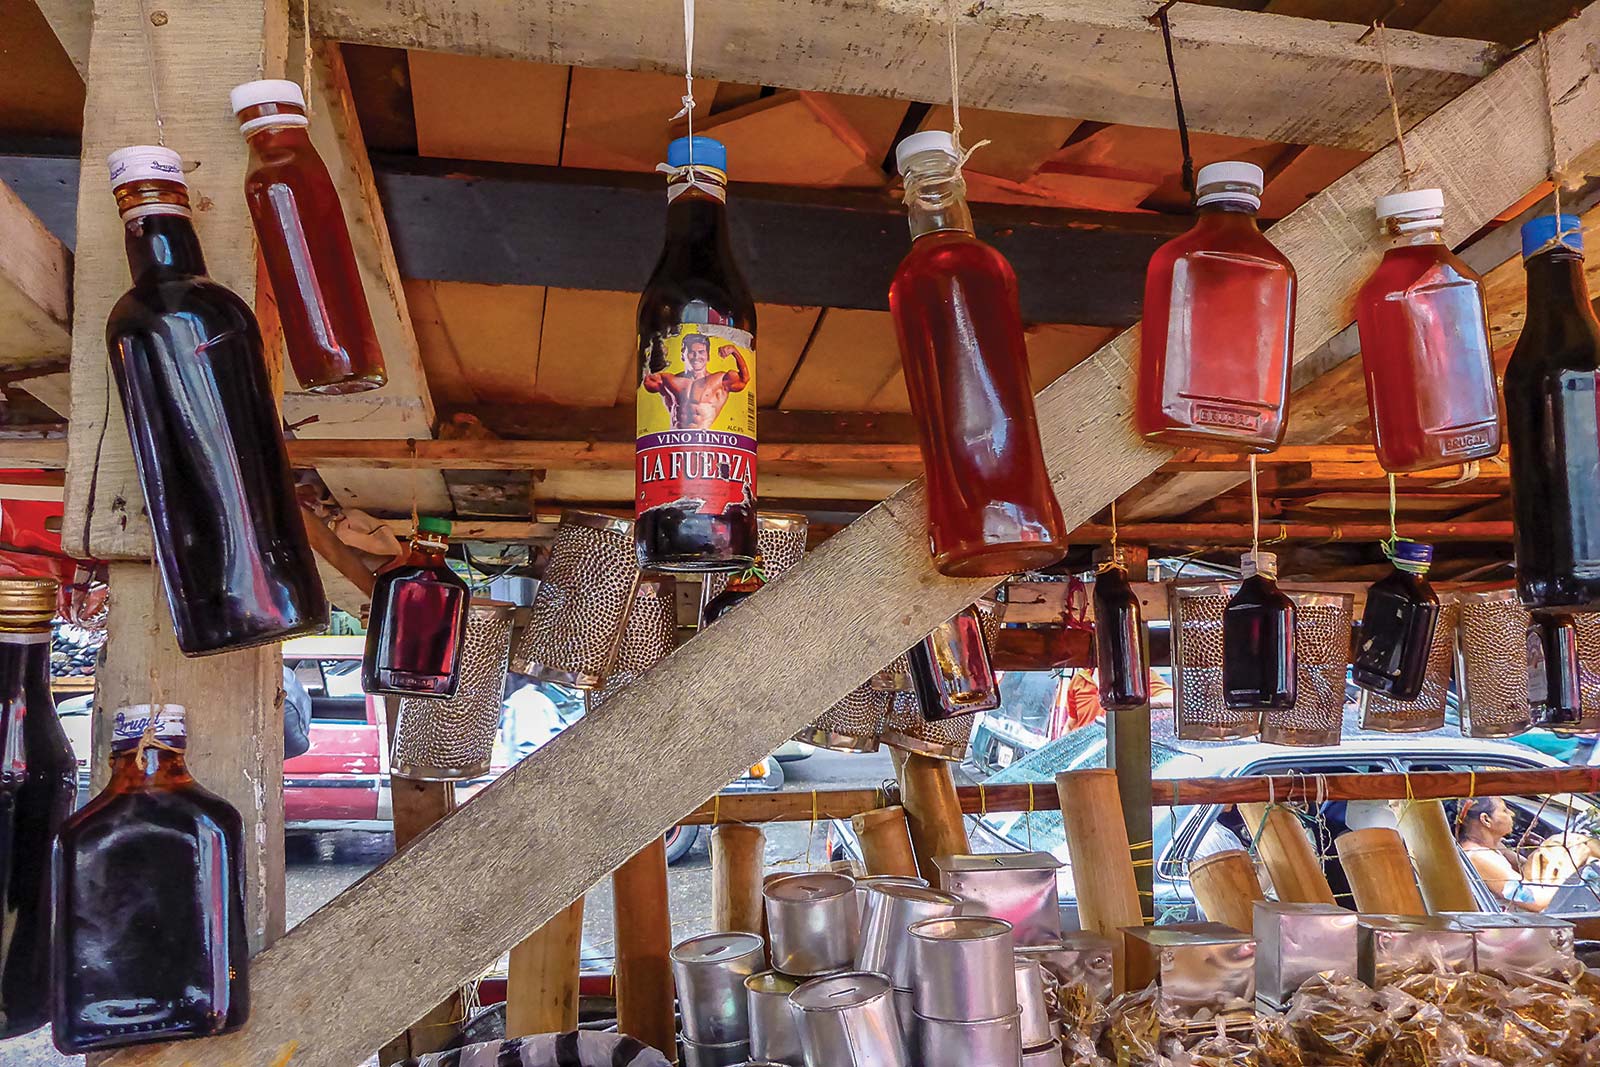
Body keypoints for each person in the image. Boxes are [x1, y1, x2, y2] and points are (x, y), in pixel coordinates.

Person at [1457, 796, 1562, 911]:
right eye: (1504, 810)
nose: (1512, 814)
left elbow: (1526, 868)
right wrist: (1573, 862)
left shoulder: (1494, 847)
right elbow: (1539, 901)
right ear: (1486, 819)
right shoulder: (1479, 856)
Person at [642, 333, 750, 430]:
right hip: (674, 440)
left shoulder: (719, 380)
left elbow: (744, 379)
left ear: (708, 356)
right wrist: (651, 357)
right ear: (683, 355)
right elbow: (647, 383)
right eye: (691, 352)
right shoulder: (669, 380)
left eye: (701, 352)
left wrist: (734, 351)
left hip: (706, 441)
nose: (696, 357)